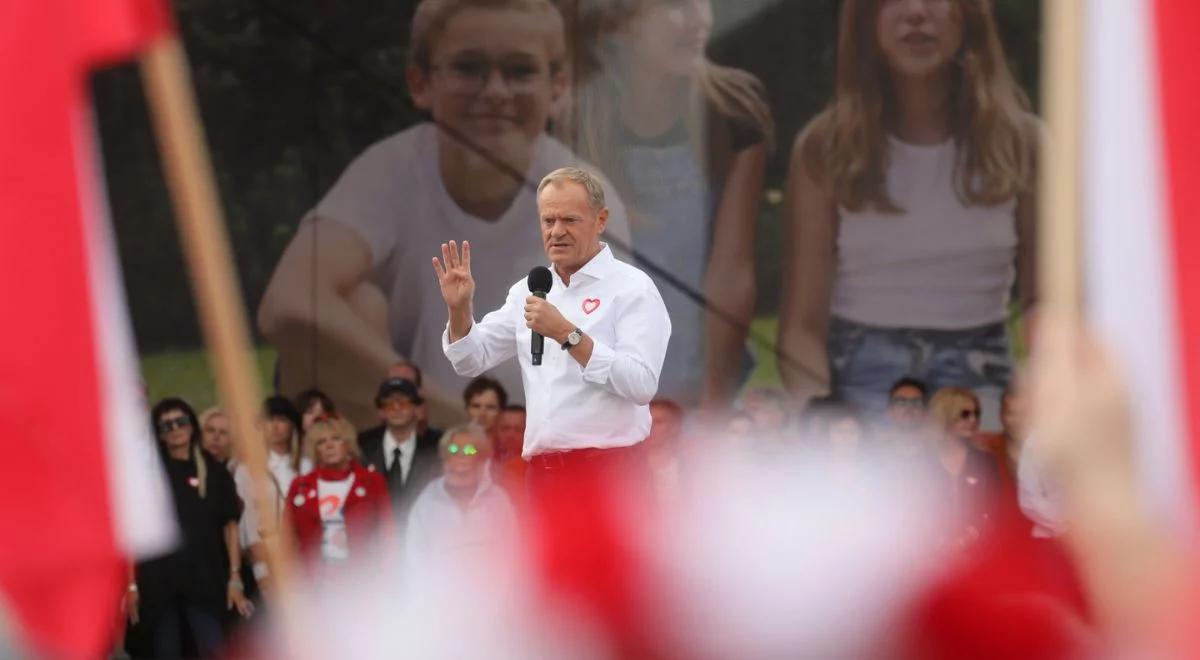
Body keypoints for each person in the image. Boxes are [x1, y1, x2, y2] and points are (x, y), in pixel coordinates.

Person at [256, 0, 632, 431]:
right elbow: (286, 303)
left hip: (532, 440)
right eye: (469, 68)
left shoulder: (587, 198)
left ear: (558, 88)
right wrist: (451, 421)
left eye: (520, 71)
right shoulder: (392, 169)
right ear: (420, 84)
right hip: (410, 428)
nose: (494, 91)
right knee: (356, 305)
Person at [436, 166, 670, 647]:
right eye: (547, 221)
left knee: (621, 610)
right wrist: (460, 309)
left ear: (600, 219)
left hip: (612, 470)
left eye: (569, 219)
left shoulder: (633, 289)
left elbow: (641, 383)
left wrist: (568, 333)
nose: (556, 232)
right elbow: (471, 358)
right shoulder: (529, 289)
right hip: (544, 473)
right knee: (553, 618)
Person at [778, 0, 1039, 428]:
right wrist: (822, 417)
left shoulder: (1026, 144)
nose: (916, 12)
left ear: (969, 14)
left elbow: (1045, 302)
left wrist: (1041, 390)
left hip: (982, 379)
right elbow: (801, 327)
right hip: (858, 377)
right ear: (865, 18)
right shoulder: (823, 146)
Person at [554, 0, 774, 408]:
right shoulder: (569, 123)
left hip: (697, 381)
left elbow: (732, 273)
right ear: (612, 25)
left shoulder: (732, 111)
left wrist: (712, 404)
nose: (698, 19)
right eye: (674, 5)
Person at [126, 399, 251, 659]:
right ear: (158, 434)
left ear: (192, 425)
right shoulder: (149, 475)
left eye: (180, 421)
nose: (175, 429)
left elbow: (230, 526)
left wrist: (235, 578)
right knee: (166, 651)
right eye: (166, 425)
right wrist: (131, 585)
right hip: (159, 582)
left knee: (212, 647)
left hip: (205, 578)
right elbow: (134, 531)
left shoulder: (215, 473)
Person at [406, 425, 517, 572]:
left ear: (481, 456)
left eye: (469, 450)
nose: (461, 455)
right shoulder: (427, 500)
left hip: (491, 590)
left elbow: (514, 550)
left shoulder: (498, 498)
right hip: (439, 591)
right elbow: (415, 555)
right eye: (453, 450)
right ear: (445, 456)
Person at [285, 415, 392, 565]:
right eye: (321, 442)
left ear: (348, 444)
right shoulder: (300, 486)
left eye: (336, 439)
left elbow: (387, 534)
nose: (329, 446)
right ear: (315, 450)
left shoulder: (372, 482)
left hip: (361, 577)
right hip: (313, 580)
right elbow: (287, 540)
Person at [926, 387, 1004, 548]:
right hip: (929, 554)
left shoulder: (985, 461)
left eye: (976, 414)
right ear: (946, 416)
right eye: (965, 415)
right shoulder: (920, 463)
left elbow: (995, 511)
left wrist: (971, 538)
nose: (973, 420)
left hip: (979, 550)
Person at [357, 377, 442, 522]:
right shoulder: (362, 448)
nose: (397, 408)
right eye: (389, 403)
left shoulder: (434, 451)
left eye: (404, 402)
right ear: (381, 411)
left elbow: (470, 451)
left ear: (417, 409)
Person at [263, 395, 310, 496]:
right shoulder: (248, 467)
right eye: (270, 419)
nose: (275, 426)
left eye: (281, 419)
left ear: (292, 426)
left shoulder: (306, 466)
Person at [490, 404, 528, 510]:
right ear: (495, 430)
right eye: (505, 428)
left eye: (518, 429)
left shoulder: (536, 469)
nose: (511, 435)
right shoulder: (482, 461)